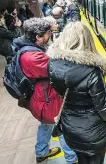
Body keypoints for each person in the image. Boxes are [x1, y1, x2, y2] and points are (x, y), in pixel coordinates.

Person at [47, 21, 106, 164]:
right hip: (93, 134)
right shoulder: (92, 71)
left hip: (70, 128)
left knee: (81, 159)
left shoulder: (52, 64)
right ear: (87, 40)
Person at [11, 18, 78, 164]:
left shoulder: (27, 46)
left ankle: (41, 153)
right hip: (46, 100)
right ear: (38, 37)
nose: (50, 34)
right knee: (62, 127)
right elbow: (59, 68)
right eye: (48, 33)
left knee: (46, 124)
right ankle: (72, 160)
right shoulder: (32, 57)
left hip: (43, 98)